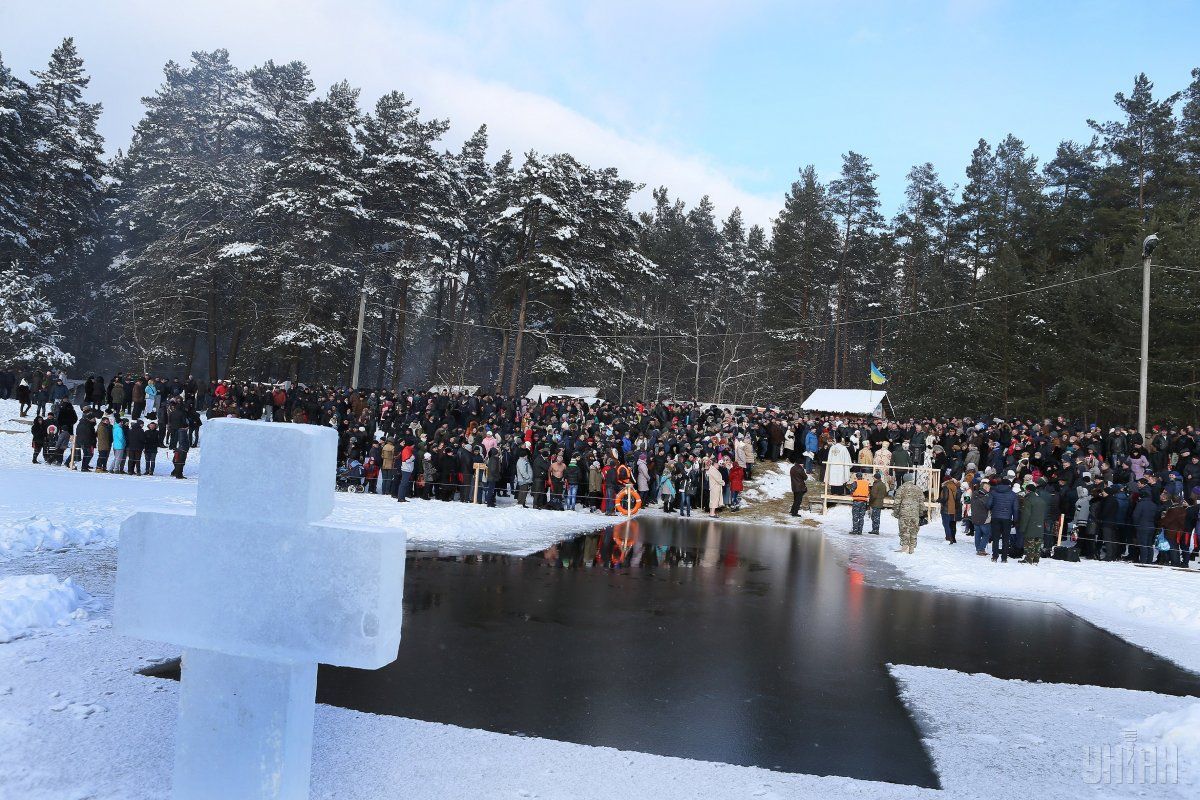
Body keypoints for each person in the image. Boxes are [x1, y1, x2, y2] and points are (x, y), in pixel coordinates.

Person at [893, 472, 925, 554]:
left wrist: (896, 513)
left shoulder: (901, 488)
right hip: (915, 513)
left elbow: (897, 502)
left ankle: (905, 547)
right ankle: (912, 548)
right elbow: (921, 502)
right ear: (911, 479)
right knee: (914, 530)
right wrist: (921, 514)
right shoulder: (918, 489)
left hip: (904, 512)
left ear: (904, 480)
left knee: (904, 529)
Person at [1018, 480, 1046, 564]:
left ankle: (1028, 559)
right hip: (1040, 525)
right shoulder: (1042, 500)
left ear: (1028, 490)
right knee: (1037, 543)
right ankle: (1036, 559)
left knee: (1029, 543)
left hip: (1030, 525)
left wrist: (1022, 528)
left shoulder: (1028, 500)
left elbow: (1026, 515)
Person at [939, 469, 959, 544]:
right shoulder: (954, 487)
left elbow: (945, 498)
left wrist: (939, 500)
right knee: (951, 524)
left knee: (946, 524)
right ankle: (952, 537)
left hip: (946, 508)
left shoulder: (945, 487)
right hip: (952, 509)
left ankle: (948, 537)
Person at [848, 469, 870, 534]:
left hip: (857, 501)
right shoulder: (866, 483)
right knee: (861, 517)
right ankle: (860, 531)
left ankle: (855, 530)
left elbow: (851, 490)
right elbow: (868, 491)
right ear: (862, 476)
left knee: (855, 516)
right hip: (864, 502)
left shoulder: (855, 482)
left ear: (857, 476)